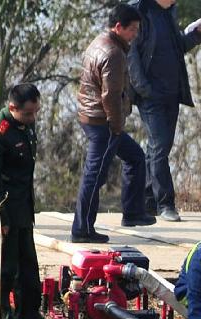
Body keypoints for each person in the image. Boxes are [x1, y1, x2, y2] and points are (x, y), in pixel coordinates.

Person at [72, 3, 152, 243]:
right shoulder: (114, 53)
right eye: (133, 30)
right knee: (94, 176)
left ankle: (133, 213)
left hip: (94, 117)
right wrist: (116, 127)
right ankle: (82, 229)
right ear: (119, 27)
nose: (135, 35)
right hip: (103, 123)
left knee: (136, 157)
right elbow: (111, 96)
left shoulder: (99, 42)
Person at [128, 0, 201, 223]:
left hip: (172, 93)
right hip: (150, 95)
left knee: (158, 147)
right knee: (160, 146)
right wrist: (143, 88)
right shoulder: (139, 10)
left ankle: (148, 201)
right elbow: (131, 52)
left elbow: (178, 47)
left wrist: (198, 33)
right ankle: (166, 203)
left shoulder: (168, 13)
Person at [0, 83, 46, 319]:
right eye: (28, 113)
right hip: (4, 212)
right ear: (12, 108)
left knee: (28, 264)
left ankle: (28, 312)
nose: (33, 118)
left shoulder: (24, 127)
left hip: (23, 209)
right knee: (3, 268)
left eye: (36, 112)